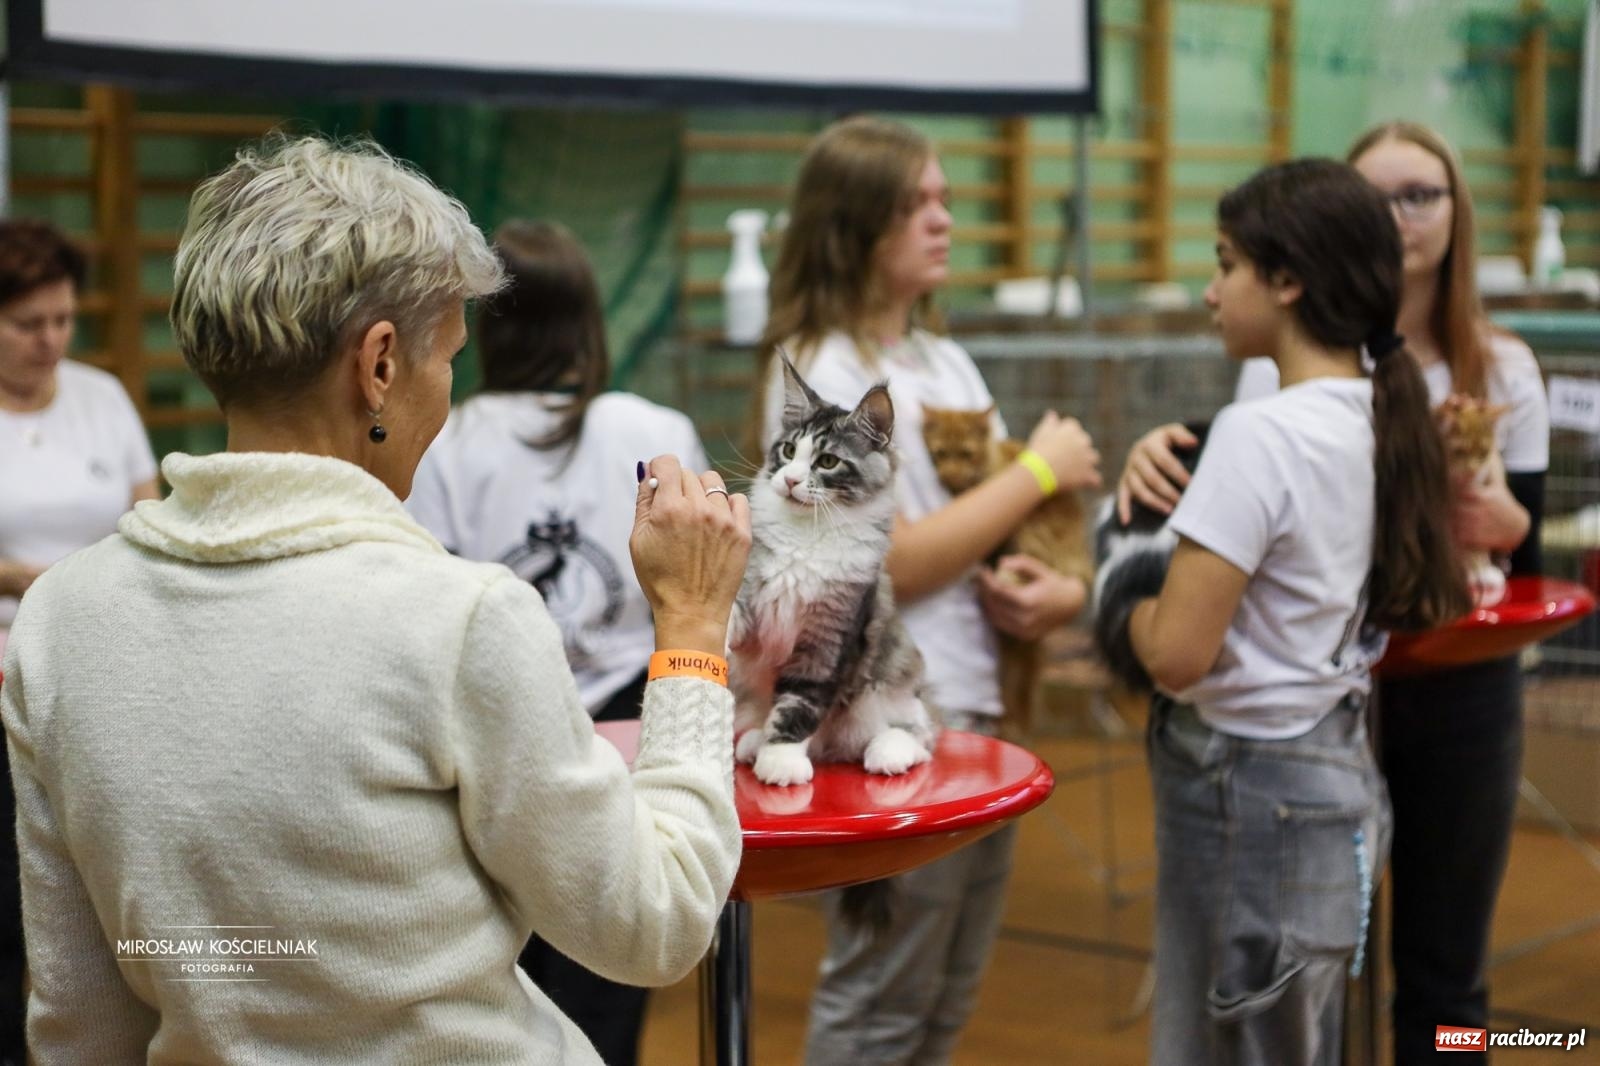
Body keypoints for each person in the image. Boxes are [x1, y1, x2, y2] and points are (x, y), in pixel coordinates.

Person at [0, 136, 750, 1063]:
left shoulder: (61, 621)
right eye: (449, 359)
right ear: (381, 365)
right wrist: (691, 628)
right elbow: (658, 925)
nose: (449, 395)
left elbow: (80, 1022)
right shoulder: (460, 621)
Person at [1120, 123, 1547, 1063]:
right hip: (1330, 767)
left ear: (1288, 281)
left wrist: (1117, 597)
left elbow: (1180, 653)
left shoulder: (1262, 433)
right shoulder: (1375, 412)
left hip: (1249, 780)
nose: (1207, 287)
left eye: (1225, 263)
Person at [750, 115, 1102, 1065]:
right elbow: (885, 563)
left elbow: (995, 526)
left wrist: (1055, 592)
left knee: (944, 1000)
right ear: (854, 225)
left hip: (977, 702)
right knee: (879, 999)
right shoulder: (824, 366)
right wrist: (1036, 471)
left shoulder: (944, 361)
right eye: (918, 205)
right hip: (880, 718)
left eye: (946, 199)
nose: (945, 220)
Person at [407, 219, 709, 1066]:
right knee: (608, 979)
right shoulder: (653, 430)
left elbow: (427, 603)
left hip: (495, 744)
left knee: (497, 988)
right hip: (626, 729)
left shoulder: (444, 438)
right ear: (588, 320)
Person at [0, 218, 159, 1065]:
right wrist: (23, 580)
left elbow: (147, 509)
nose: (51, 340)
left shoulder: (100, 395)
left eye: (63, 320)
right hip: (5, 676)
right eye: (29, 324)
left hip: (100, 677)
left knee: (105, 910)